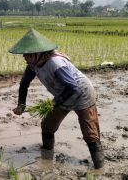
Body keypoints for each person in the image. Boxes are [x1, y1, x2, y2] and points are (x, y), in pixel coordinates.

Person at [8, 28, 104, 169]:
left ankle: (99, 167)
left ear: (38, 53)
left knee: (90, 133)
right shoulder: (33, 65)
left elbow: (73, 87)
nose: (24, 57)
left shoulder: (56, 63)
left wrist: (55, 102)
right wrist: (21, 104)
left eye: (27, 54)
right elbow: (24, 84)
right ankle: (47, 159)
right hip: (63, 95)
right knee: (47, 126)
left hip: (82, 94)